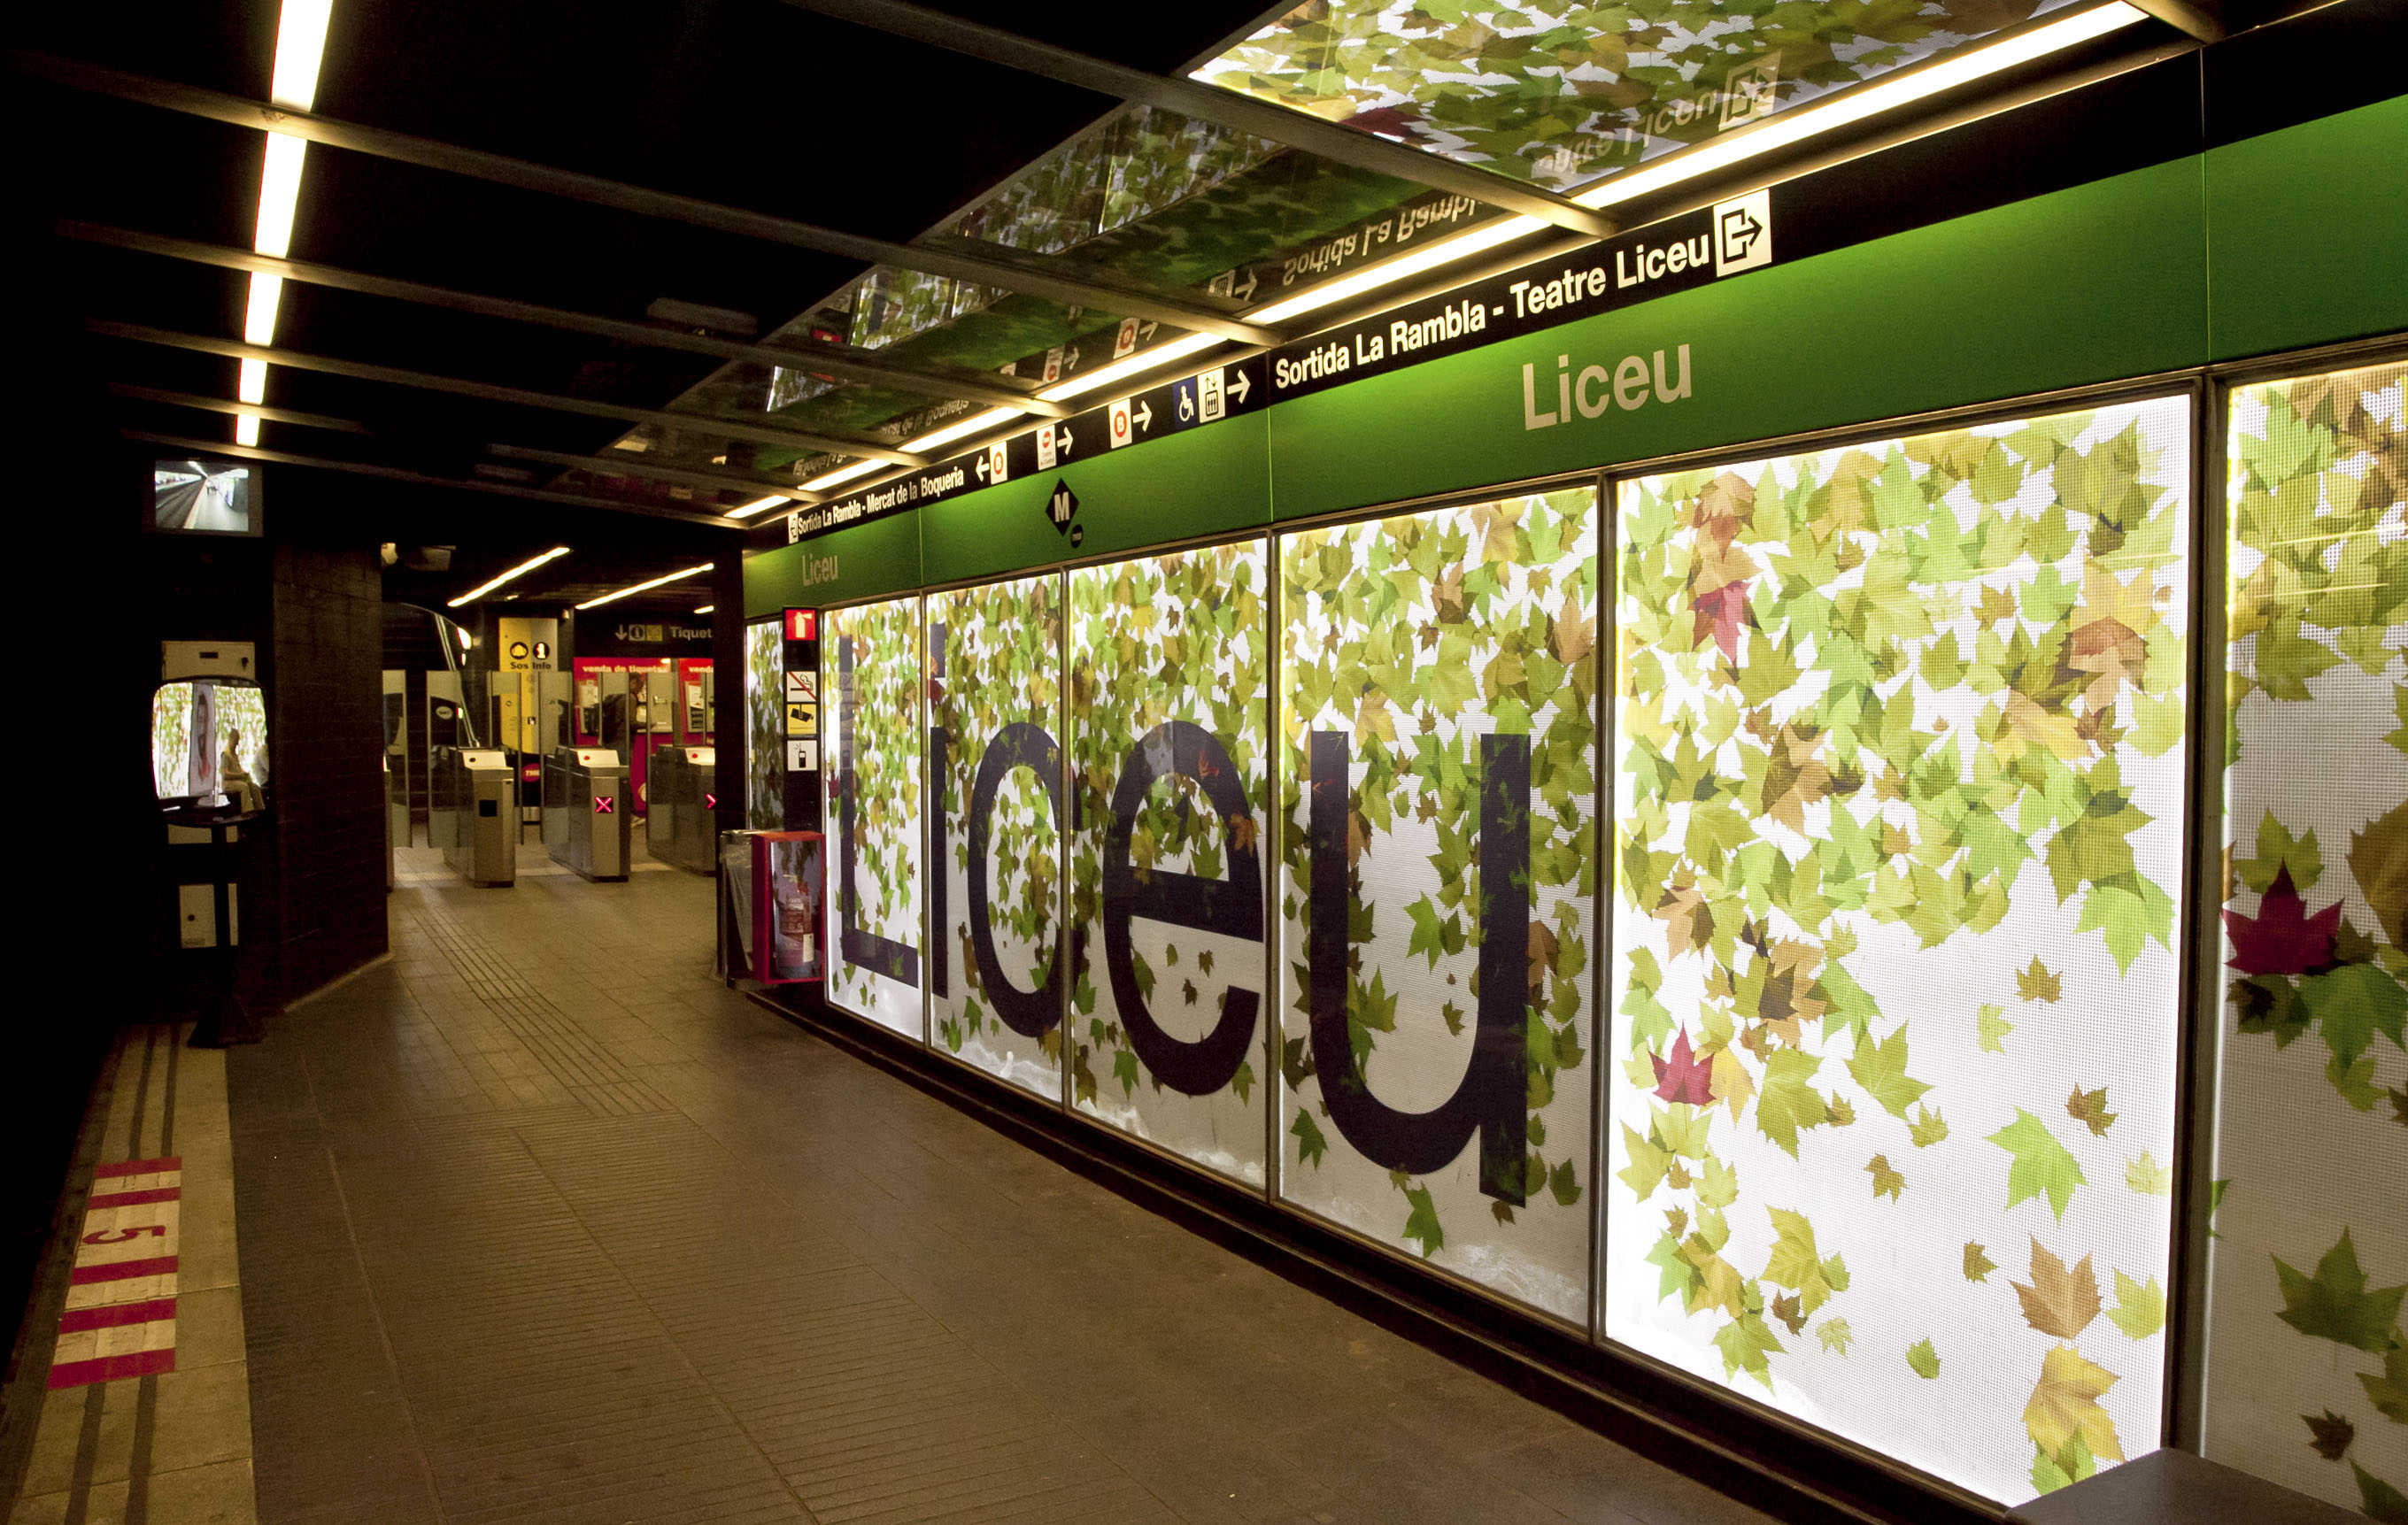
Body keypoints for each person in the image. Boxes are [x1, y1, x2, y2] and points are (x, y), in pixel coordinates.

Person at [220, 728, 263, 813]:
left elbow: (238, 769)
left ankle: (260, 809)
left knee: (254, 787)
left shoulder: (235, 755)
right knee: (244, 786)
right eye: (235, 741)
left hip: (237, 780)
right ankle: (247, 811)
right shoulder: (225, 755)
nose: (236, 744)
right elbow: (225, 773)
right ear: (231, 740)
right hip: (228, 783)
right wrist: (238, 775)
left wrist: (244, 773)